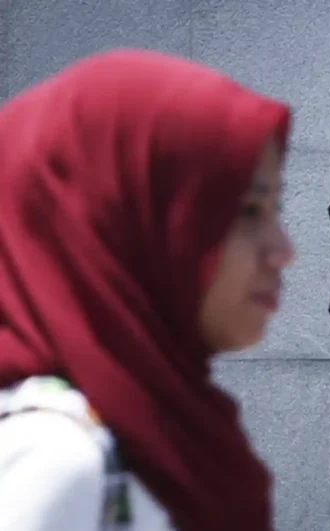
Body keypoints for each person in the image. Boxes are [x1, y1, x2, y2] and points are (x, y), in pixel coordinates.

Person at [0, 49, 295, 530]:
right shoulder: (56, 460)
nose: (283, 250)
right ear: (122, 223)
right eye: (246, 210)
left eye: (274, 208)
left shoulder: (169, 438)